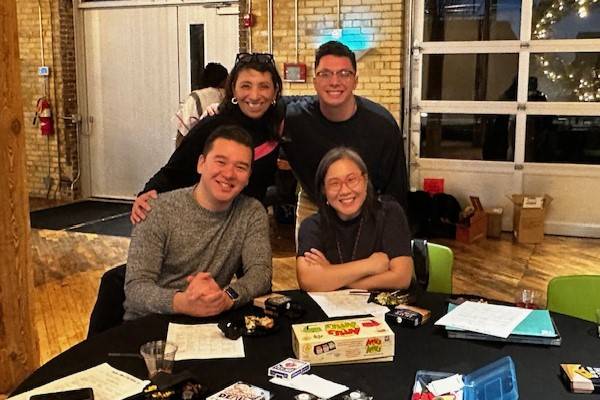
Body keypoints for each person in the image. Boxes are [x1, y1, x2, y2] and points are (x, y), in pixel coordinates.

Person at [124, 125, 272, 320]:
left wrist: (227, 297)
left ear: (248, 177)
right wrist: (184, 302)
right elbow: (135, 290)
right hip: (151, 323)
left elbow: (261, 274)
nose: (229, 174)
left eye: (240, 167)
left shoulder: (252, 213)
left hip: (210, 318)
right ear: (201, 164)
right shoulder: (157, 209)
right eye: (220, 162)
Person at [130, 52, 283, 224]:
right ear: (233, 88)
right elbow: (173, 172)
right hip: (201, 223)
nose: (254, 95)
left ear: (275, 91)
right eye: (246, 86)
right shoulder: (212, 126)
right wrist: (147, 193)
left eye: (264, 86)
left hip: (245, 225)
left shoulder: (277, 125)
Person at [282, 41, 408, 238]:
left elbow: (396, 192)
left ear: (355, 81)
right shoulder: (294, 117)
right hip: (314, 204)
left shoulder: (382, 126)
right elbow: (257, 106)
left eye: (344, 74)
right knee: (312, 266)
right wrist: (220, 108)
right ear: (315, 81)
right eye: (325, 74)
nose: (334, 82)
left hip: (366, 206)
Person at [296, 147, 413, 292]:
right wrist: (370, 265)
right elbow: (309, 281)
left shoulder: (389, 213)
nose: (345, 190)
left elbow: (401, 278)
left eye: (352, 180)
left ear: (365, 180)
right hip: (334, 310)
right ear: (323, 190)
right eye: (334, 183)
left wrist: (331, 276)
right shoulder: (312, 226)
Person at [173, 62, 229, 147]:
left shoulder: (196, 97)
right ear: (225, 80)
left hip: (198, 149)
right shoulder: (232, 97)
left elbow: (183, 133)